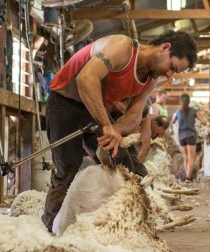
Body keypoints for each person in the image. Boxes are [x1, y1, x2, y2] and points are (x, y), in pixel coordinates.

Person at [41, 31, 198, 231]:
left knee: (130, 168)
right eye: (172, 67)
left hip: (97, 109)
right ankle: (49, 227)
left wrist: (114, 130)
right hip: (66, 101)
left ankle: (129, 227)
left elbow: (133, 117)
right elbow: (86, 80)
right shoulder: (122, 47)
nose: (169, 75)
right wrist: (107, 126)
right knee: (68, 167)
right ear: (165, 48)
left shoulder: (151, 79)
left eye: (174, 73)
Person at [172, 93, 207, 182]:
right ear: (189, 101)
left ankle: (186, 175)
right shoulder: (194, 111)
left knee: (185, 157)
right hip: (190, 135)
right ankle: (188, 177)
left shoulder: (178, 112)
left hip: (181, 136)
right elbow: (203, 121)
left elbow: (173, 121)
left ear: (180, 101)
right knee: (191, 157)